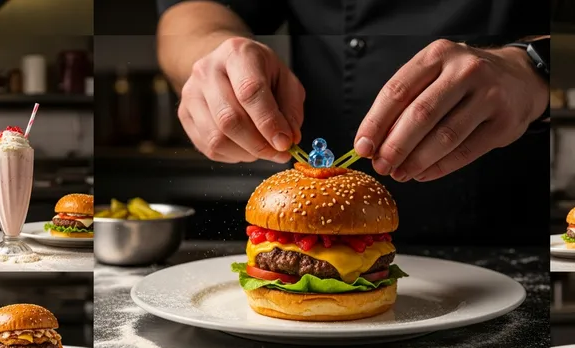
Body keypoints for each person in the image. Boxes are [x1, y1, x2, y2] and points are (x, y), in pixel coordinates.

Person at [156, 0, 549, 246]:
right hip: (310, 202)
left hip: (519, 238)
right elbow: (190, 12)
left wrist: (532, 65)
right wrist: (212, 54)